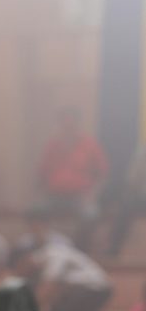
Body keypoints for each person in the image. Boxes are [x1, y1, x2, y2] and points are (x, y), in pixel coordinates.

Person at [37, 107, 108, 250]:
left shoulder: (89, 145)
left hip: (80, 197)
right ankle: (46, 249)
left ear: (77, 123)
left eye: (71, 123)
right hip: (55, 197)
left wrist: (92, 195)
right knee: (36, 212)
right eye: (65, 123)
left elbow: (102, 172)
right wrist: (44, 191)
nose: (68, 127)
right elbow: (42, 173)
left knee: (91, 215)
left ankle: (79, 249)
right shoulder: (52, 145)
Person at [12, 242, 112, 311]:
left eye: (19, 268)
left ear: (24, 260)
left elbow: (49, 284)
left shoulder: (52, 254)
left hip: (94, 288)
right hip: (88, 289)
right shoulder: (39, 269)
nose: (20, 273)